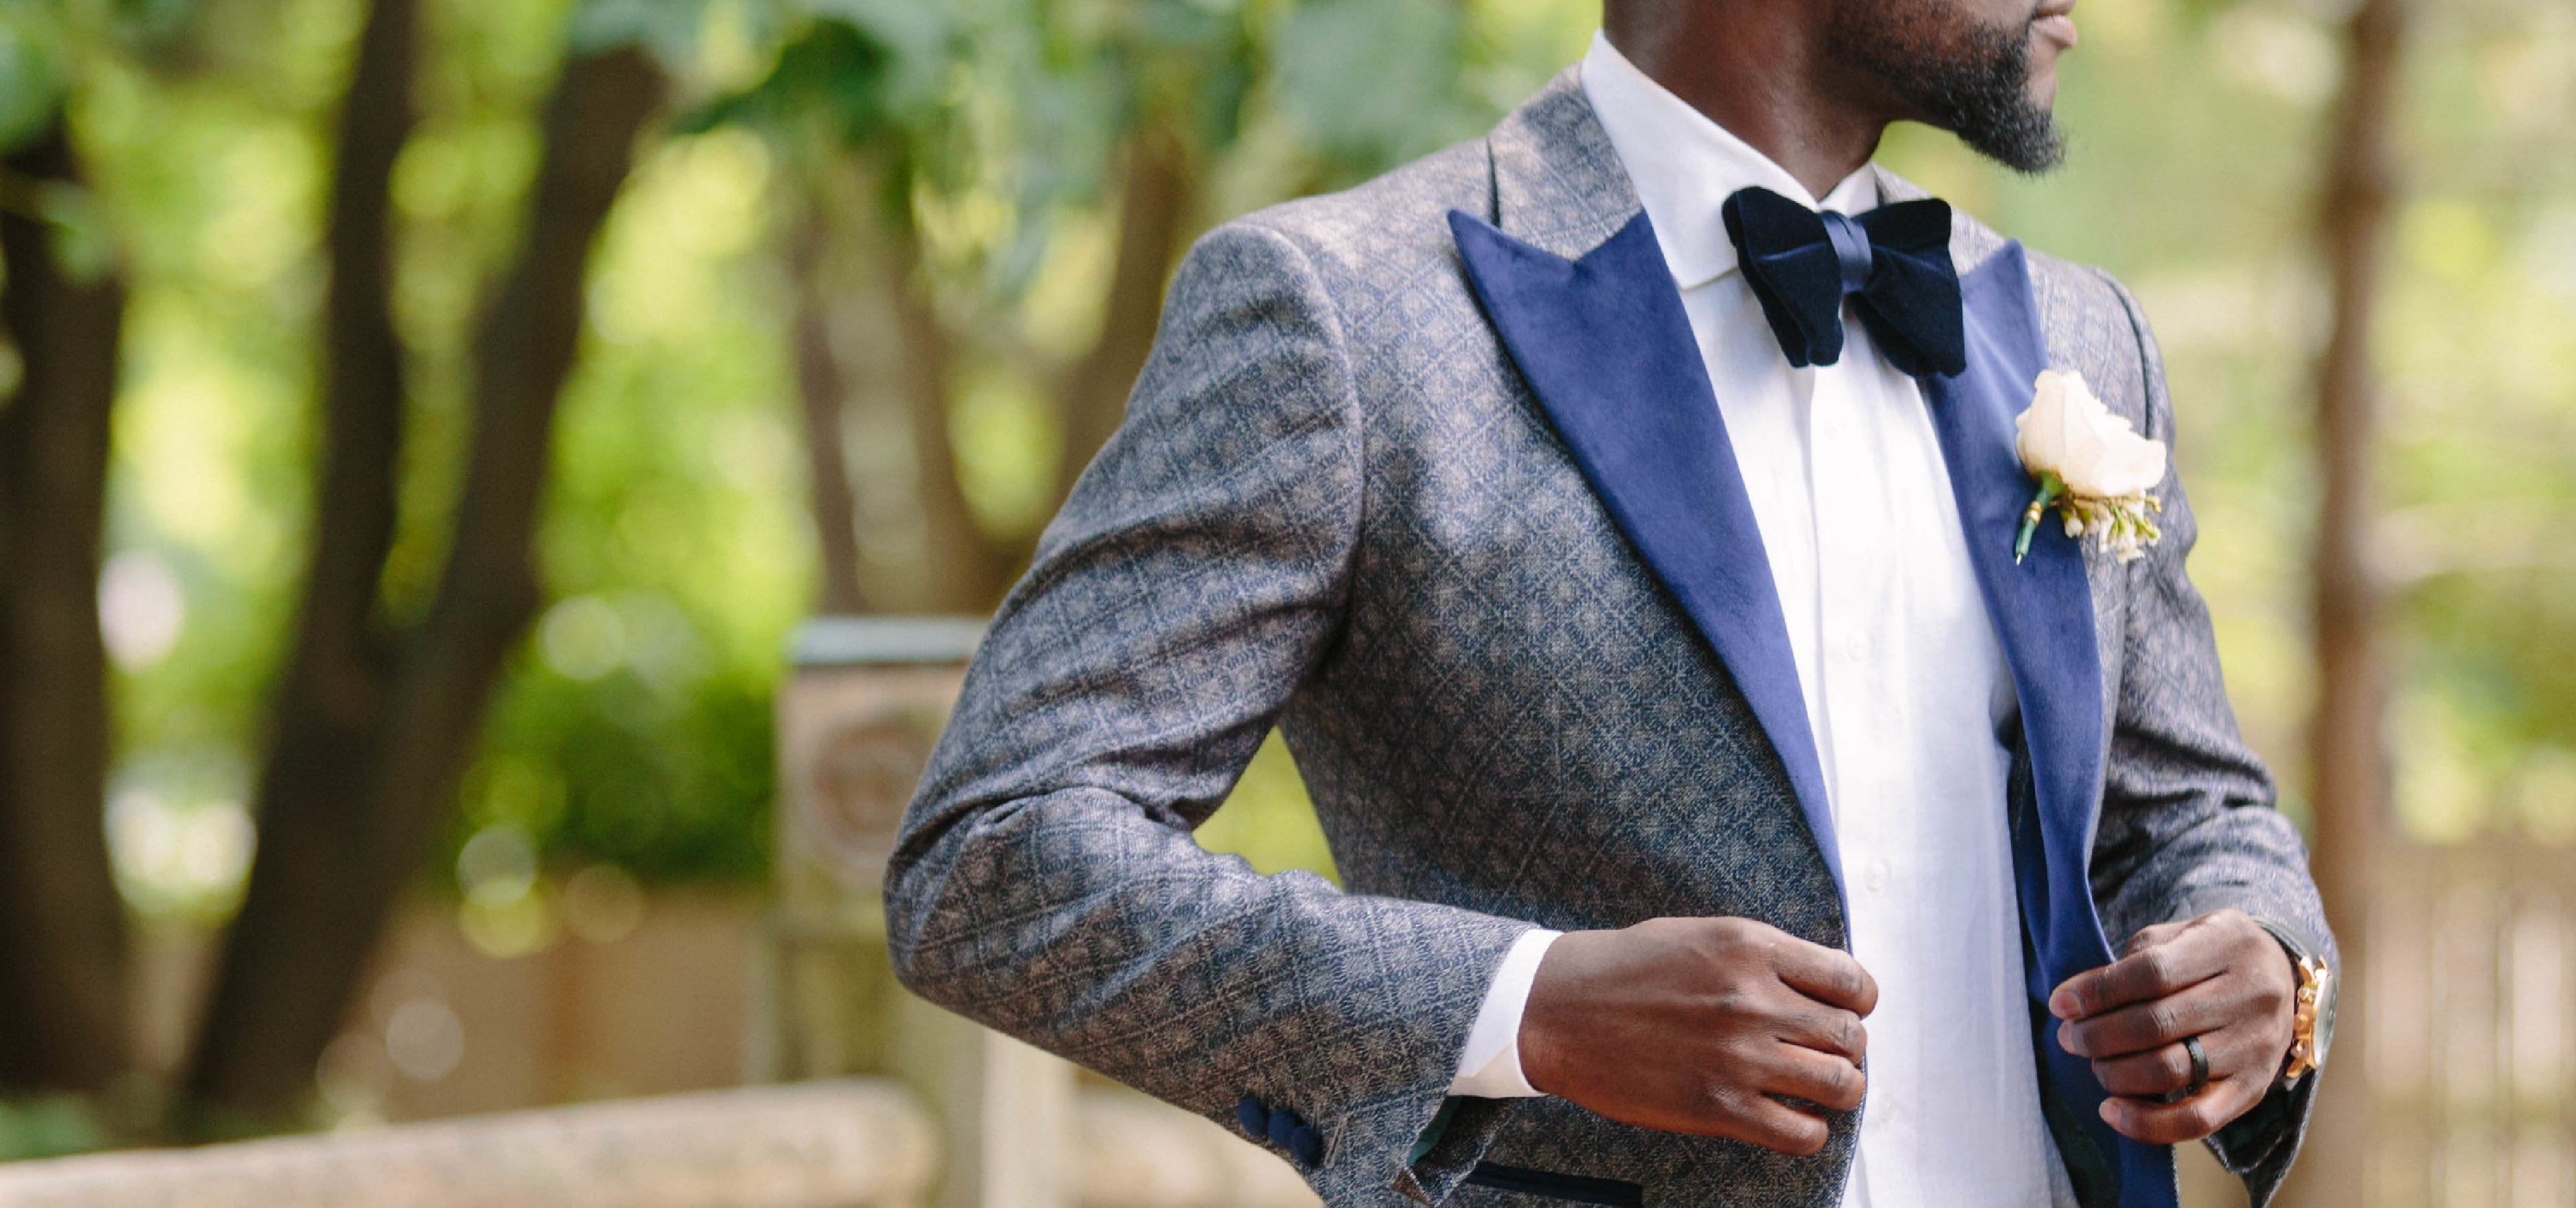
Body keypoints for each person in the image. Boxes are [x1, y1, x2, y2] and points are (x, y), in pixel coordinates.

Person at [881, 0, 2338, 1202]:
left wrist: (2265, 962)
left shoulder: (2074, 331)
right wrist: (1525, 1007)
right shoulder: (1345, 312)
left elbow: (2192, 808)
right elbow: (995, 858)